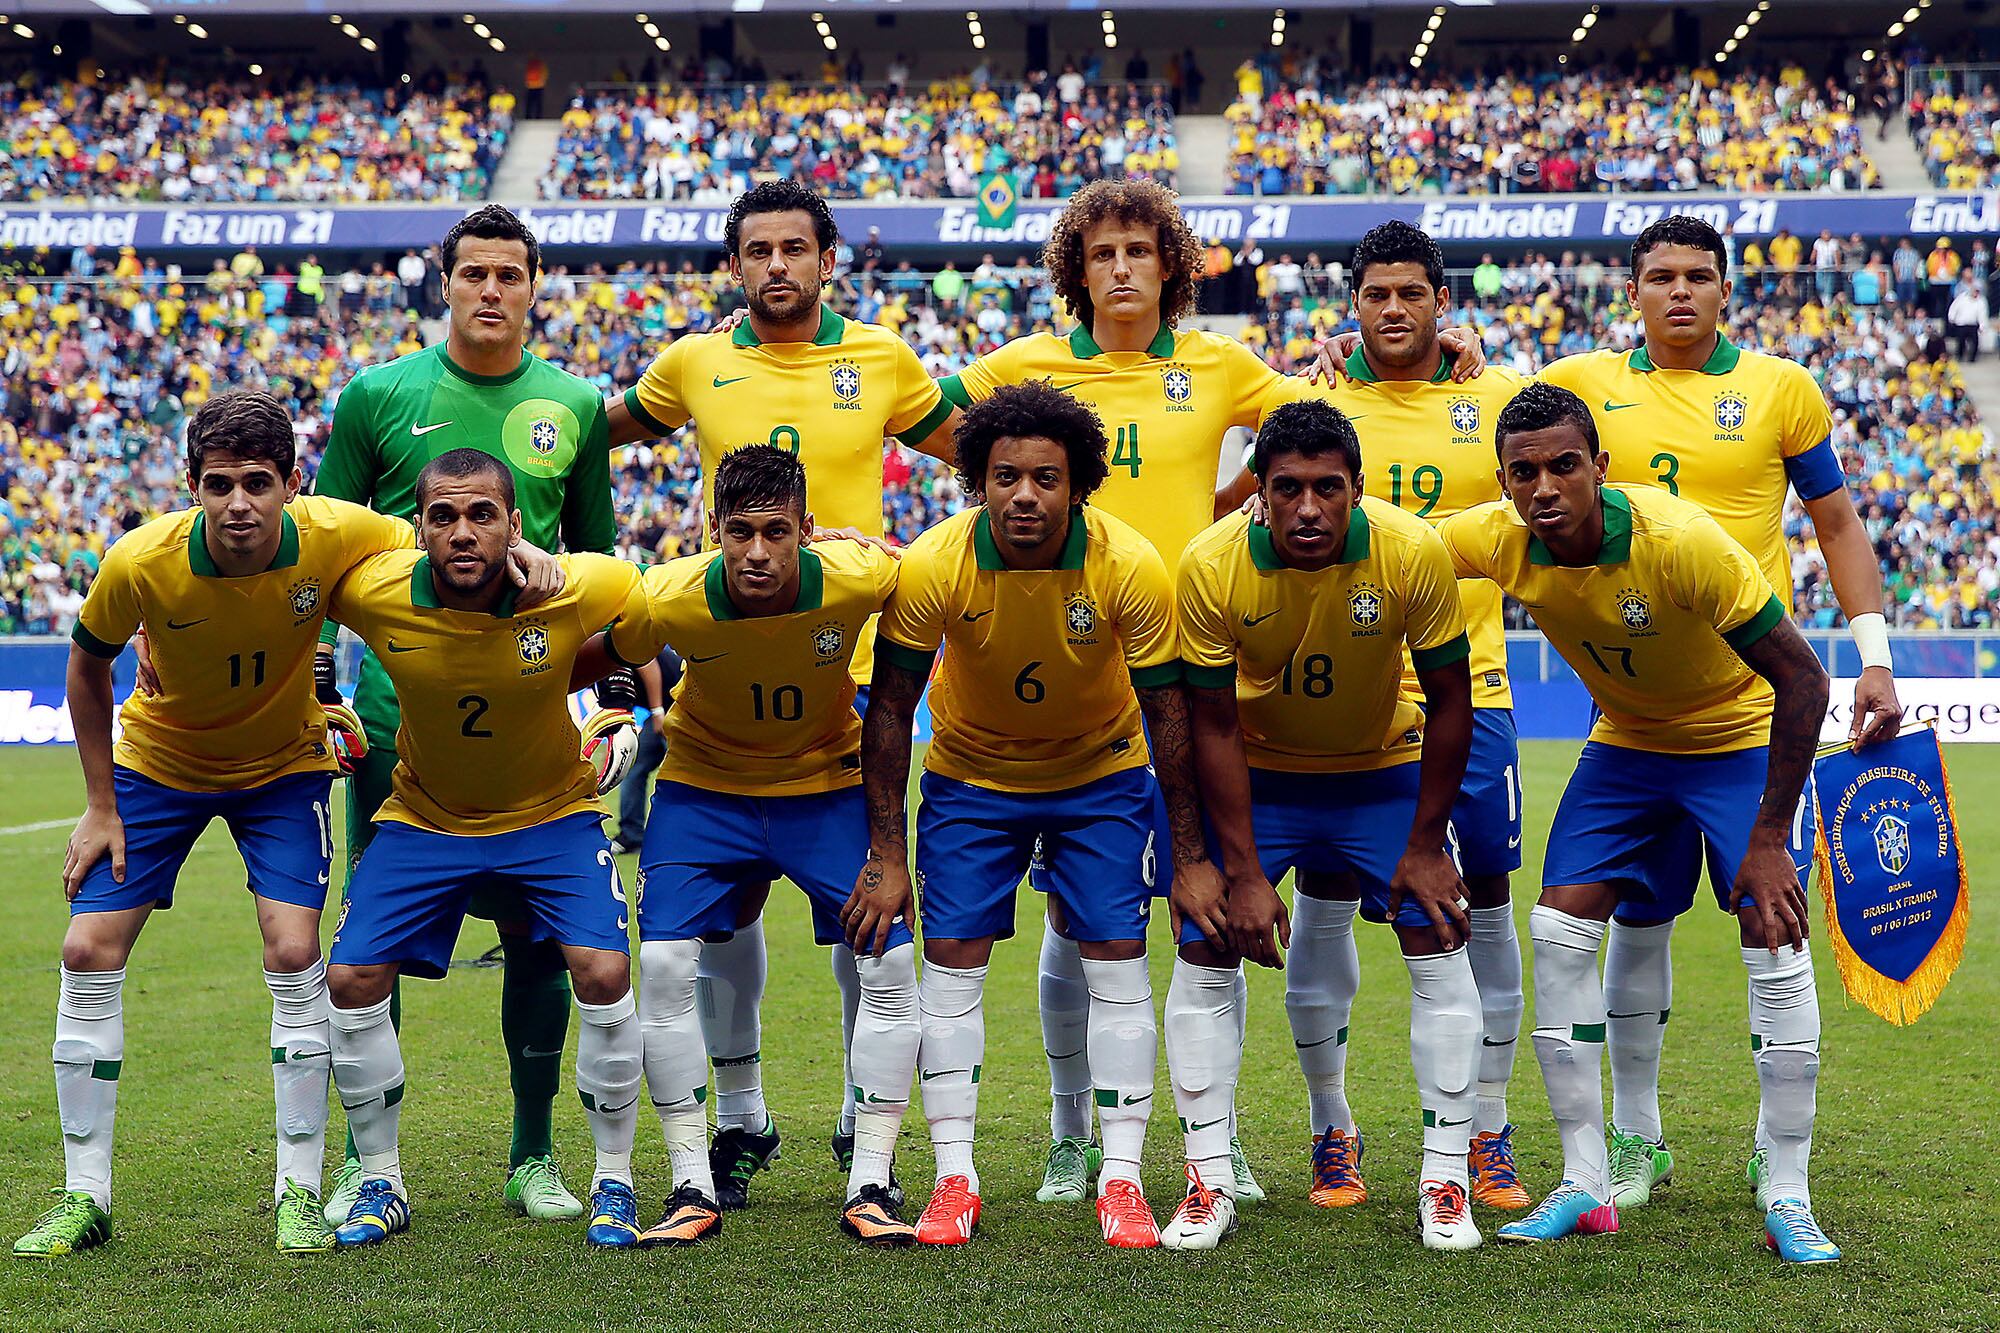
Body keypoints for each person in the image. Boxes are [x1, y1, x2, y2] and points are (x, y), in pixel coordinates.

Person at [936, 178, 1479, 1204]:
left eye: (1141, 250)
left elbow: (1324, 432)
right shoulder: (1016, 367)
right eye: (1101, 254)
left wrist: (1436, 363)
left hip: (1180, 663)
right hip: (1061, 654)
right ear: (1075, 271)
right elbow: (934, 423)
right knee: (1073, 917)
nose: (1122, 268)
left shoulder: (1219, 364)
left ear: (1171, 266)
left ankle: (1208, 1141)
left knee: (1130, 916)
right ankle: (1070, 1133)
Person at [606, 180, 957, 1207]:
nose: (774, 266)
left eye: (792, 248)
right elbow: (595, 430)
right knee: (724, 916)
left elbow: (981, 450)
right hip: (729, 648)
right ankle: (745, 1112)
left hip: (846, 658)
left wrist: (891, 551)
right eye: (755, 249)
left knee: (859, 916)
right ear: (734, 265)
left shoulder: (882, 357)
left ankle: (860, 1116)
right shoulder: (696, 360)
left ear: (825, 259)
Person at [1539, 216, 1900, 1210]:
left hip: (1748, 714)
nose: (1680, 291)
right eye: (1659, 276)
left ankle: (1778, 1164)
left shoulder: (1780, 388)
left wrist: (1872, 657)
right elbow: (1496, 424)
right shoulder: (1582, 384)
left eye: (1698, 275)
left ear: (1725, 290)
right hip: (1631, 719)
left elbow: (1834, 522)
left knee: (1769, 923)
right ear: (1632, 293)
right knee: (1633, 922)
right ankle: (1635, 1143)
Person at [1441, 384, 1837, 1264]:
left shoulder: (1679, 540)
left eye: (1564, 465)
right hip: (1629, 745)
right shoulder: (1500, 541)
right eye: (1523, 471)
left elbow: (1804, 681)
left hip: (1736, 740)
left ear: (1600, 469)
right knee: (1556, 929)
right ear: (1504, 481)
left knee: (1775, 934)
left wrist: (1769, 840)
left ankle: (1786, 1182)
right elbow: (1391, 548)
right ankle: (1587, 1178)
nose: (1544, 486)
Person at [16, 392, 416, 1257]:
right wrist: (98, 803)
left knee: (293, 949)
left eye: (259, 483)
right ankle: (85, 1195)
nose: (241, 503)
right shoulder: (143, 561)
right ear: (191, 484)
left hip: (283, 768)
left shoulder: (341, 531)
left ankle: (298, 1192)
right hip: (160, 767)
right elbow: (87, 669)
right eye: (221, 483)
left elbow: (430, 556)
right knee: (87, 950)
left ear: (292, 483)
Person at [850, 381, 1221, 1250]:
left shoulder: (1129, 563)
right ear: (976, 479)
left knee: (1118, 964)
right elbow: (892, 707)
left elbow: (1171, 713)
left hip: (1100, 775)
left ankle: (1122, 1180)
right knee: (950, 970)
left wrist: (1192, 852)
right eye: (1005, 475)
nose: (1024, 494)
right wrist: (886, 850)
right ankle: (954, 1177)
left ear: (1079, 483)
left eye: (1046, 478)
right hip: (972, 782)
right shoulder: (936, 562)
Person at [312, 204, 621, 1228]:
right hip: (395, 724)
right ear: (443, 280)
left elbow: (597, 573)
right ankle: (371, 1162)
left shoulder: (573, 403)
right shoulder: (378, 395)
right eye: (473, 272)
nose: (491, 290)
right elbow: (313, 565)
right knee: (370, 941)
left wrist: (608, 704)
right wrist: (317, 695)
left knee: (543, 943)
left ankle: (531, 1154)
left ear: (537, 285)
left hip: (531, 721)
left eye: (510, 274)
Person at [574, 445, 918, 1248]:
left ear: (805, 529)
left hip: (822, 787)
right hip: (706, 790)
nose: (757, 552)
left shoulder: (859, 576)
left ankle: (872, 1176)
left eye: (776, 531)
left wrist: (862, 543)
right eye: (739, 533)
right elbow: (592, 654)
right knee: (659, 966)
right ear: (712, 530)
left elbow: (922, 575)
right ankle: (691, 1180)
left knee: (892, 961)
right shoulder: (668, 597)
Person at [1172, 400, 1482, 1252]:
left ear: (1356, 489)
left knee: (1441, 930)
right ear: (1257, 495)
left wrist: (1424, 844)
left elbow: (1454, 702)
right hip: (1262, 778)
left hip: (1379, 774)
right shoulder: (1209, 564)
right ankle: (1206, 1177)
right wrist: (1237, 867)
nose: (1308, 508)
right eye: (1288, 489)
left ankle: (1445, 1179)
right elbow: (1214, 726)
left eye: (1327, 489)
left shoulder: (1410, 548)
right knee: (1203, 938)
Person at [321, 449, 644, 1251]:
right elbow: (282, 601)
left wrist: (619, 713)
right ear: (418, 528)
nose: (463, 532)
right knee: (352, 976)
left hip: (551, 814)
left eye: (482, 516)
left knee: (603, 970)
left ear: (515, 525)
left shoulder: (573, 586)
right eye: (443, 516)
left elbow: (642, 610)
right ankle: (380, 1179)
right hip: (426, 817)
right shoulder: (374, 590)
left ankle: (614, 1179)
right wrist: (316, 699)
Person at [1307, 221, 1533, 1211]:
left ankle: (1486, 1130)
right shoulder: (1309, 401)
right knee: (1320, 910)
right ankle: (1330, 1129)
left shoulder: (1493, 401)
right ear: (1350, 302)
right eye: (1374, 293)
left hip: (1469, 694)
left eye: (1409, 292)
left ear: (1441, 301)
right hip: (1334, 703)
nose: (1391, 309)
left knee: (1481, 906)